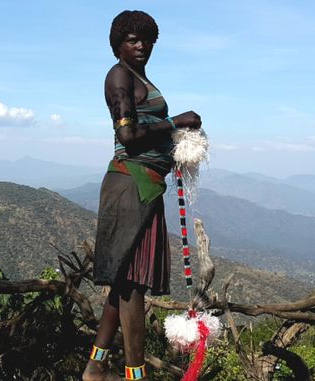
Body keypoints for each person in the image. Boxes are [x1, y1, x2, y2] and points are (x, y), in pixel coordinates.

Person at [83, 10, 202, 381]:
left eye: (147, 40)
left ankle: (95, 367)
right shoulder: (118, 76)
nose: (141, 46)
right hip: (129, 187)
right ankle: (136, 374)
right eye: (133, 40)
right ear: (118, 43)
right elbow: (129, 136)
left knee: (123, 281)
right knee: (132, 284)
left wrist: (179, 144)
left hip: (145, 186)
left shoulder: (139, 77)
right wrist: (176, 123)